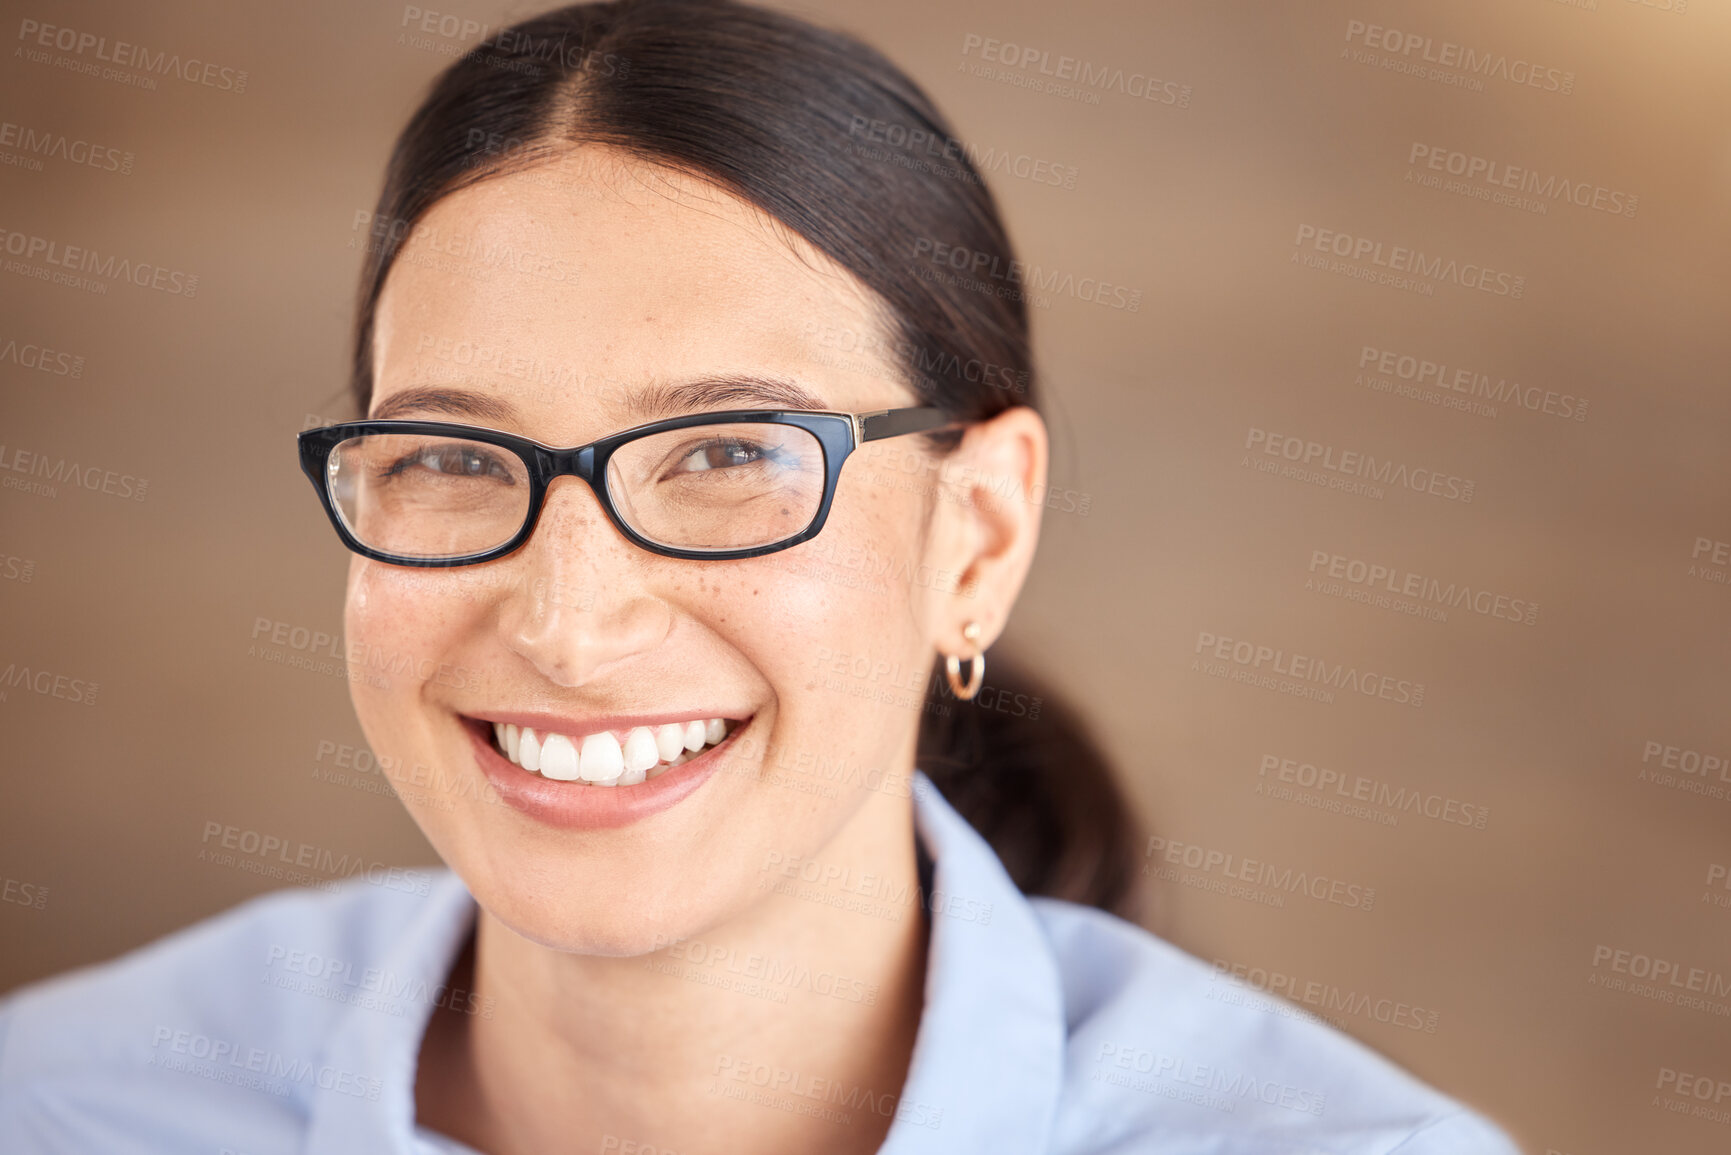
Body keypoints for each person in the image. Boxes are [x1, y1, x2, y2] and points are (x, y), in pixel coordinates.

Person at [0, 2, 1523, 1151]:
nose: (571, 627)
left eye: (728, 456)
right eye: (456, 463)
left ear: (976, 539)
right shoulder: (64, 1105)